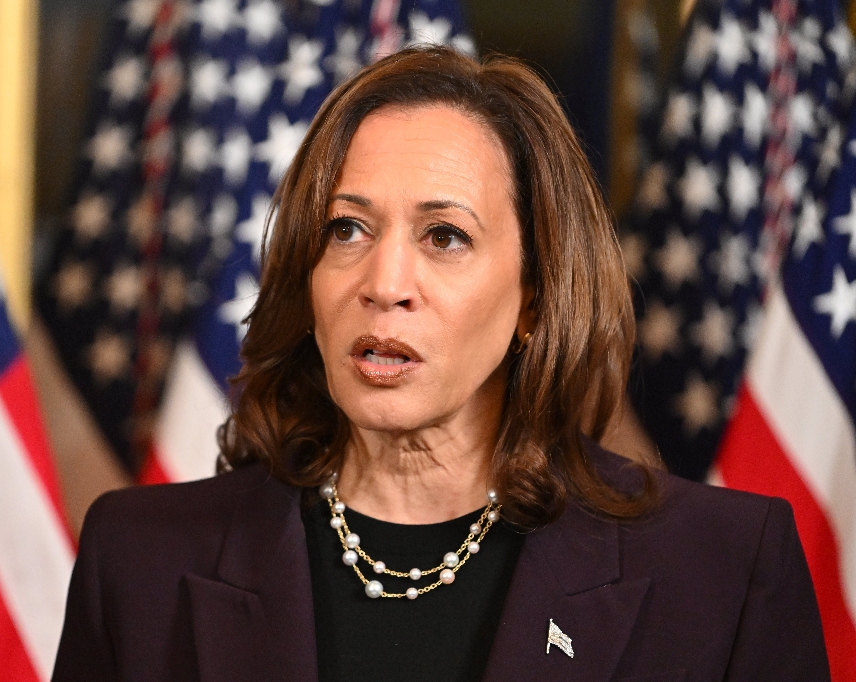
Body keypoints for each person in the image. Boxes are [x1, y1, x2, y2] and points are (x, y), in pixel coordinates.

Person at [52, 46, 828, 682]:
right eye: (347, 230)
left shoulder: (723, 571)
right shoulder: (140, 560)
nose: (384, 285)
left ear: (534, 297)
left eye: (445, 237)